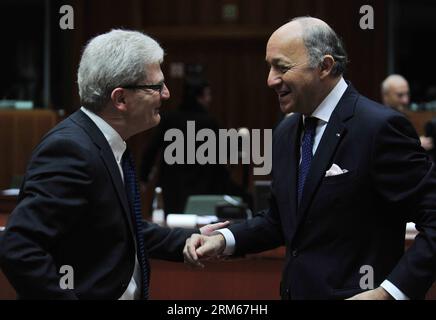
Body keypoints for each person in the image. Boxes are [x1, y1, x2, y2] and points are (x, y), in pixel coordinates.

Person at [183, 17, 436, 300]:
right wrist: (223, 240)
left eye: (282, 67)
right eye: (269, 66)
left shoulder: (379, 128)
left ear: (325, 67)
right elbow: (281, 221)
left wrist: (389, 293)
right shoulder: (286, 131)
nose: (270, 79)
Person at [0, 30, 227, 299]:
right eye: (156, 87)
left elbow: (124, 229)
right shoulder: (71, 150)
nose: (166, 94)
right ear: (120, 99)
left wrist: (192, 236)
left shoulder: (106, 143)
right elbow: (19, 246)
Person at [140, 74, 246, 214]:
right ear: (200, 96)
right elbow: (226, 152)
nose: (210, 99)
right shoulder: (209, 122)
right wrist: (240, 138)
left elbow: (151, 150)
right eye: (207, 94)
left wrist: (143, 177)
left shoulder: (169, 119)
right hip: (203, 191)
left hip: (172, 190)